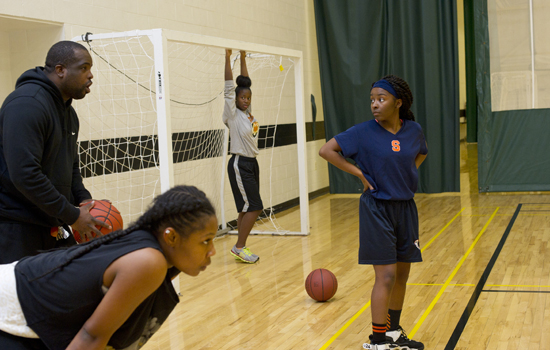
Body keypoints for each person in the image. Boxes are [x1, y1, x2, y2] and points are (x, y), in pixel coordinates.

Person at [0, 185, 217, 350]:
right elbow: (91, 337)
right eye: (206, 240)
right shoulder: (148, 261)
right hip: (10, 308)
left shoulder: (157, 255)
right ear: (171, 236)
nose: (213, 251)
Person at [319, 75, 428, 350]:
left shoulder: (413, 130)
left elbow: (420, 154)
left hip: (405, 208)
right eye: (372, 100)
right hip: (377, 208)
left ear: (398, 103)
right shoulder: (362, 132)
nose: (375, 105)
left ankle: (393, 333)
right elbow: (327, 150)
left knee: (402, 276)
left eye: (381, 99)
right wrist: (358, 172)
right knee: (387, 276)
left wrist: (407, 172)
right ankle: (377, 341)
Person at [0, 40, 108, 264]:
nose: (90, 76)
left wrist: (83, 200)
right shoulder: (27, 104)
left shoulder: (68, 113)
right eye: (84, 67)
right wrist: (72, 215)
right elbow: (25, 174)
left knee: (74, 289)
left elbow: (71, 165)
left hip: (52, 223)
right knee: (17, 299)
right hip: (14, 227)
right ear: (60, 70)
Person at [223, 49, 263, 264]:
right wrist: (228, 57)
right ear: (235, 99)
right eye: (242, 97)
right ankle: (239, 247)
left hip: (252, 163)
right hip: (239, 163)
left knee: (246, 208)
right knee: (255, 207)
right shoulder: (232, 113)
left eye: (248, 98)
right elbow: (230, 87)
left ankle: (241, 246)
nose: (246, 100)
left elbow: (245, 83)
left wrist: (244, 57)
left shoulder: (248, 113)